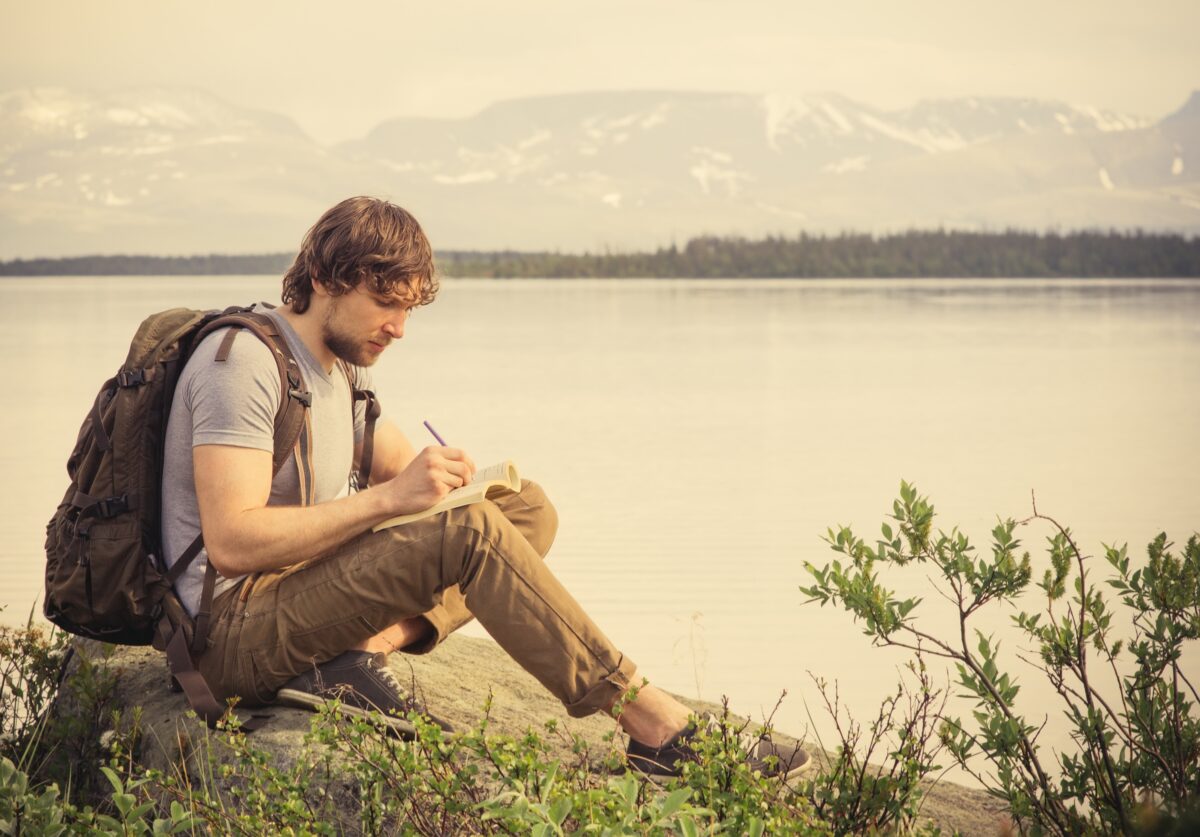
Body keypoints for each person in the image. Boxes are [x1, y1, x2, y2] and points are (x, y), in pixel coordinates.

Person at [161, 196, 810, 778]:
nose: (399, 327)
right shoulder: (244, 363)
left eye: (408, 308)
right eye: (386, 303)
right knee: (472, 533)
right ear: (328, 280)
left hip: (299, 599)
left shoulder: (343, 371)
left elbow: (409, 474)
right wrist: (396, 501)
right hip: (229, 638)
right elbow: (234, 539)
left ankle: (357, 651)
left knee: (521, 507)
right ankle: (655, 726)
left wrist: (449, 483)